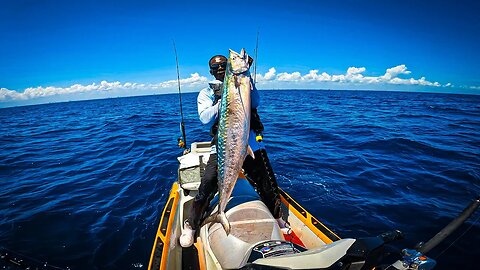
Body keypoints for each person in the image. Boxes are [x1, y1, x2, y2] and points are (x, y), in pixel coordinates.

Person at [179, 54, 288, 248]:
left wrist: (247, 80)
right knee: (206, 187)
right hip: (223, 145)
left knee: (267, 183)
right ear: (211, 71)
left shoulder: (245, 82)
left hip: (250, 143)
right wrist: (223, 99)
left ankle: (279, 219)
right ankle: (191, 225)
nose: (221, 69)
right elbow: (205, 119)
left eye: (224, 65)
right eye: (216, 67)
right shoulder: (206, 93)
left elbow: (255, 103)